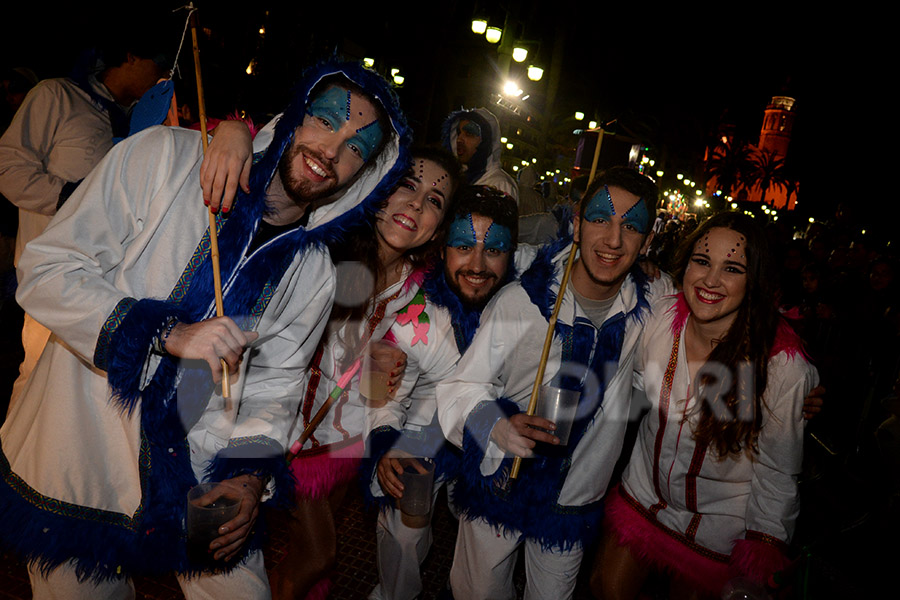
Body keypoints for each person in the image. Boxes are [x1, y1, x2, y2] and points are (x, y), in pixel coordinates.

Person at [0, 60, 410, 598]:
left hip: (201, 465)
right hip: (83, 446)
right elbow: (47, 270)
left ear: (366, 178)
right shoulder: (164, 160)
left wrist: (247, 476)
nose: (332, 149)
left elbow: (275, 387)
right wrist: (168, 334)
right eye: (326, 119)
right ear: (292, 117)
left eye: (358, 147)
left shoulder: (312, 274)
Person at [435, 166, 674, 599]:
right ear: (577, 222)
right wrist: (498, 425)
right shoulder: (522, 301)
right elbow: (461, 386)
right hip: (500, 481)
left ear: (649, 241)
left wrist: (789, 381)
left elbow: (709, 319)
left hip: (573, 499)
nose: (614, 240)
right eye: (601, 218)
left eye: (631, 227)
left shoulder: (651, 308)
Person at [267, 146, 461, 600]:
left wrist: (390, 369)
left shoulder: (424, 300)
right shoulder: (323, 249)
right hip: (288, 429)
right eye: (408, 185)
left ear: (439, 228)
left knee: (304, 560)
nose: (416, 203)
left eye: (434, 200)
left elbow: (412, 385)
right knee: (319, 555)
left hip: (346, 445)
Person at [592, 211, 819, 599]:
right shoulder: (660, 318)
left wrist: (765, 544)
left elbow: (778, 470)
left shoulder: (781, 367)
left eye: (732, 268)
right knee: (605, 588)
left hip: (720, 527)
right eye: (702, 261)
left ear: (755, 281)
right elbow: (625, 381)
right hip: (645, 495)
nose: (711, 280)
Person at [364, 185, 522, 600]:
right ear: (443, 249)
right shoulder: (414, 314)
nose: (477, 264)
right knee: (403, 537)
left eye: (495, 250)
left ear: (512, 255)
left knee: (484, 572)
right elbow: (383, 396)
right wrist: (386, 444)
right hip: (422, 436)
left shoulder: (522, 304)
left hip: (489, 440)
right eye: (463, 246)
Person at [0, 30, 171, 411]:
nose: (162, 77)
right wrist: (70, 196)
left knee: (74, 405)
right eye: (157, 65)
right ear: (130, 56)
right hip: (55, 279)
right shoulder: (56, 96)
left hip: (108, 286)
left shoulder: (135, 123)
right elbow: (7, 167)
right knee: (35, 383)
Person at [441, 107, 518, 201]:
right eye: (458, 133)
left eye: (469, 134)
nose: (459, 139)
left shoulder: (500, 185)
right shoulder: (458, 179)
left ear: (486, 141)